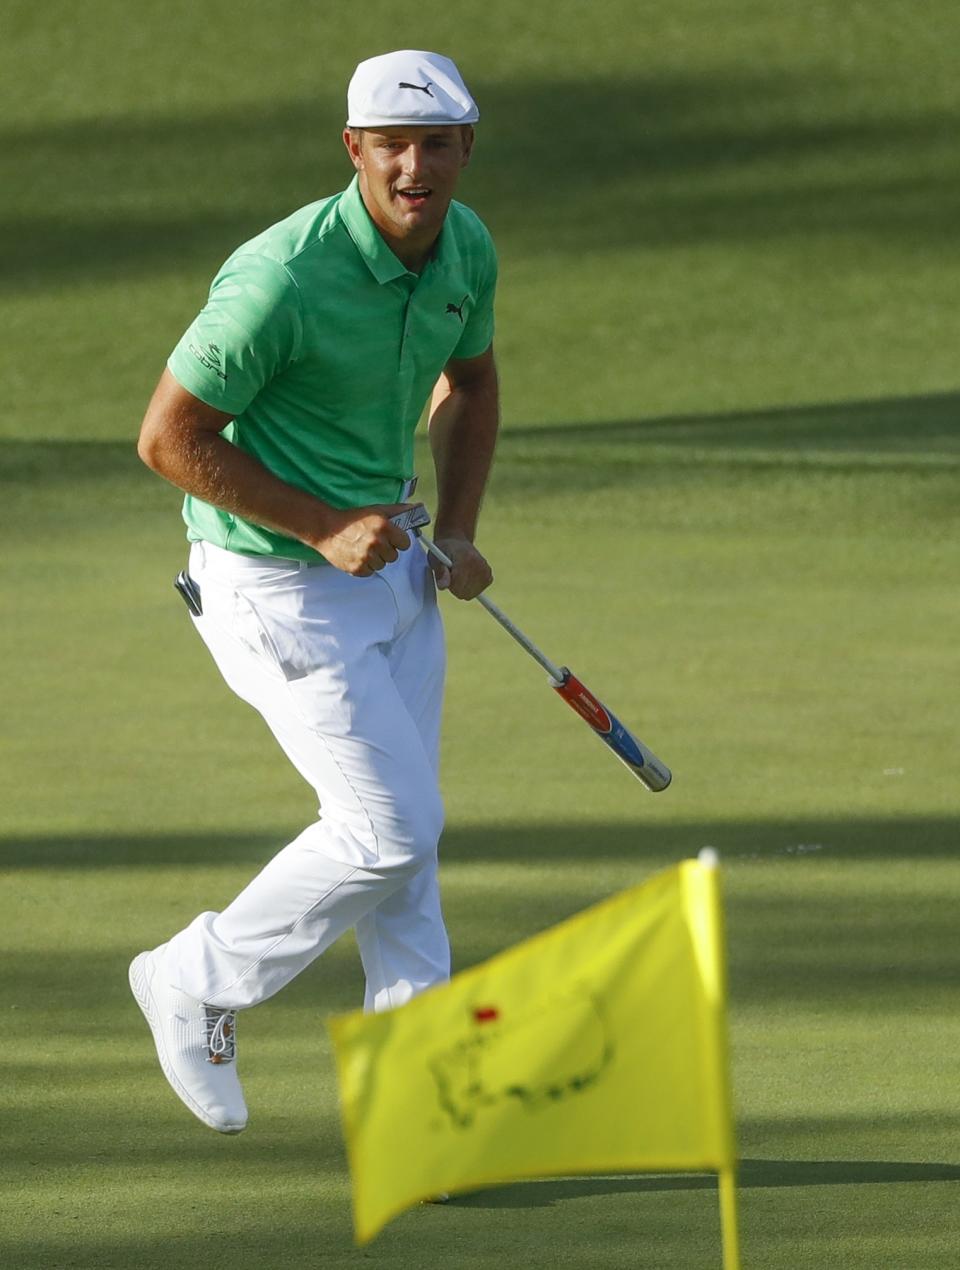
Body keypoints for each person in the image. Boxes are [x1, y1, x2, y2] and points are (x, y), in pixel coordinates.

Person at [129, 50, 499, 1134]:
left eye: (436, 143)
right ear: (355, 149)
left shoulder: (465, 247)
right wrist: (323, 524)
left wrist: (463, 524)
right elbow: (166, 438)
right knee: (389, 830)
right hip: (270, 582)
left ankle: (409, 1117)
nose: (415, 165)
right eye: (391, 143)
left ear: (467, 149)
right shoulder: (280, 277)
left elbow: (469, 381)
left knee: (408, 854)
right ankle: (193, 974)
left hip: (393, 568)